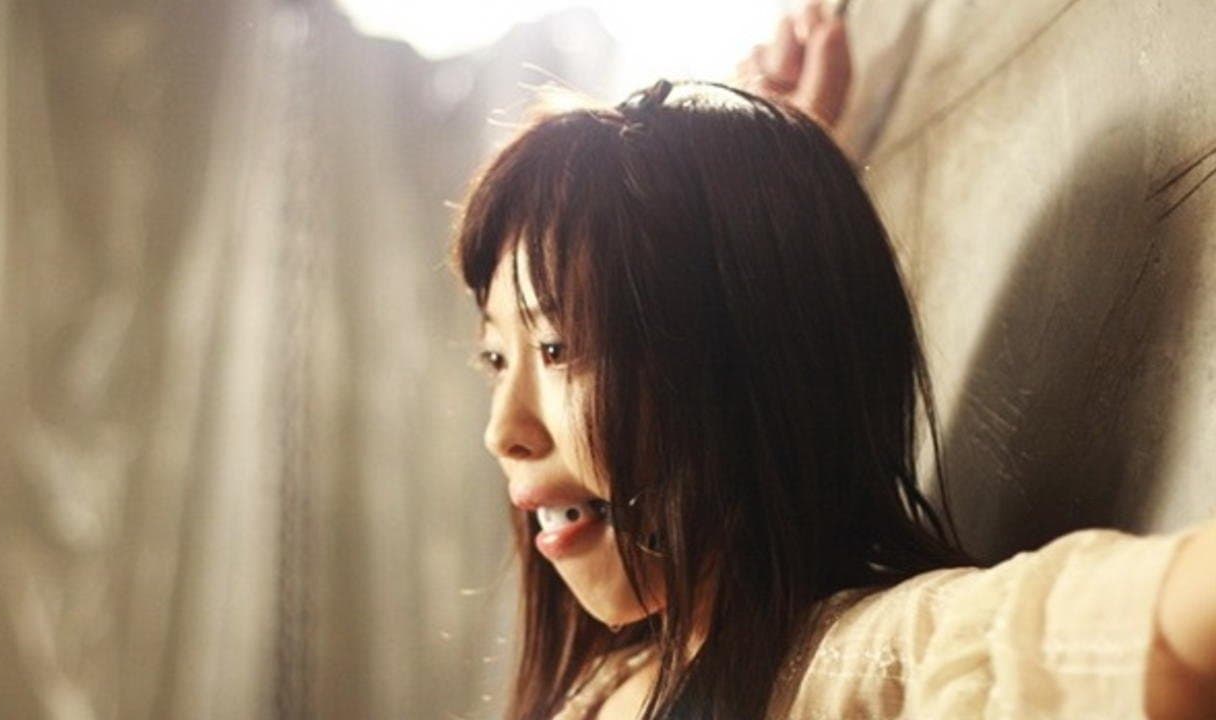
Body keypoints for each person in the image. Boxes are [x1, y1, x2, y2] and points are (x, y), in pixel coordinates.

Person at [449, 3, 1216, 718]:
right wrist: (740, 188)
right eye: (496, 356)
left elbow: (1158, 620)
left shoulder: (865, 663)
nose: (502, 432)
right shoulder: (611, 681)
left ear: (740, 354)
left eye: (557, 348)